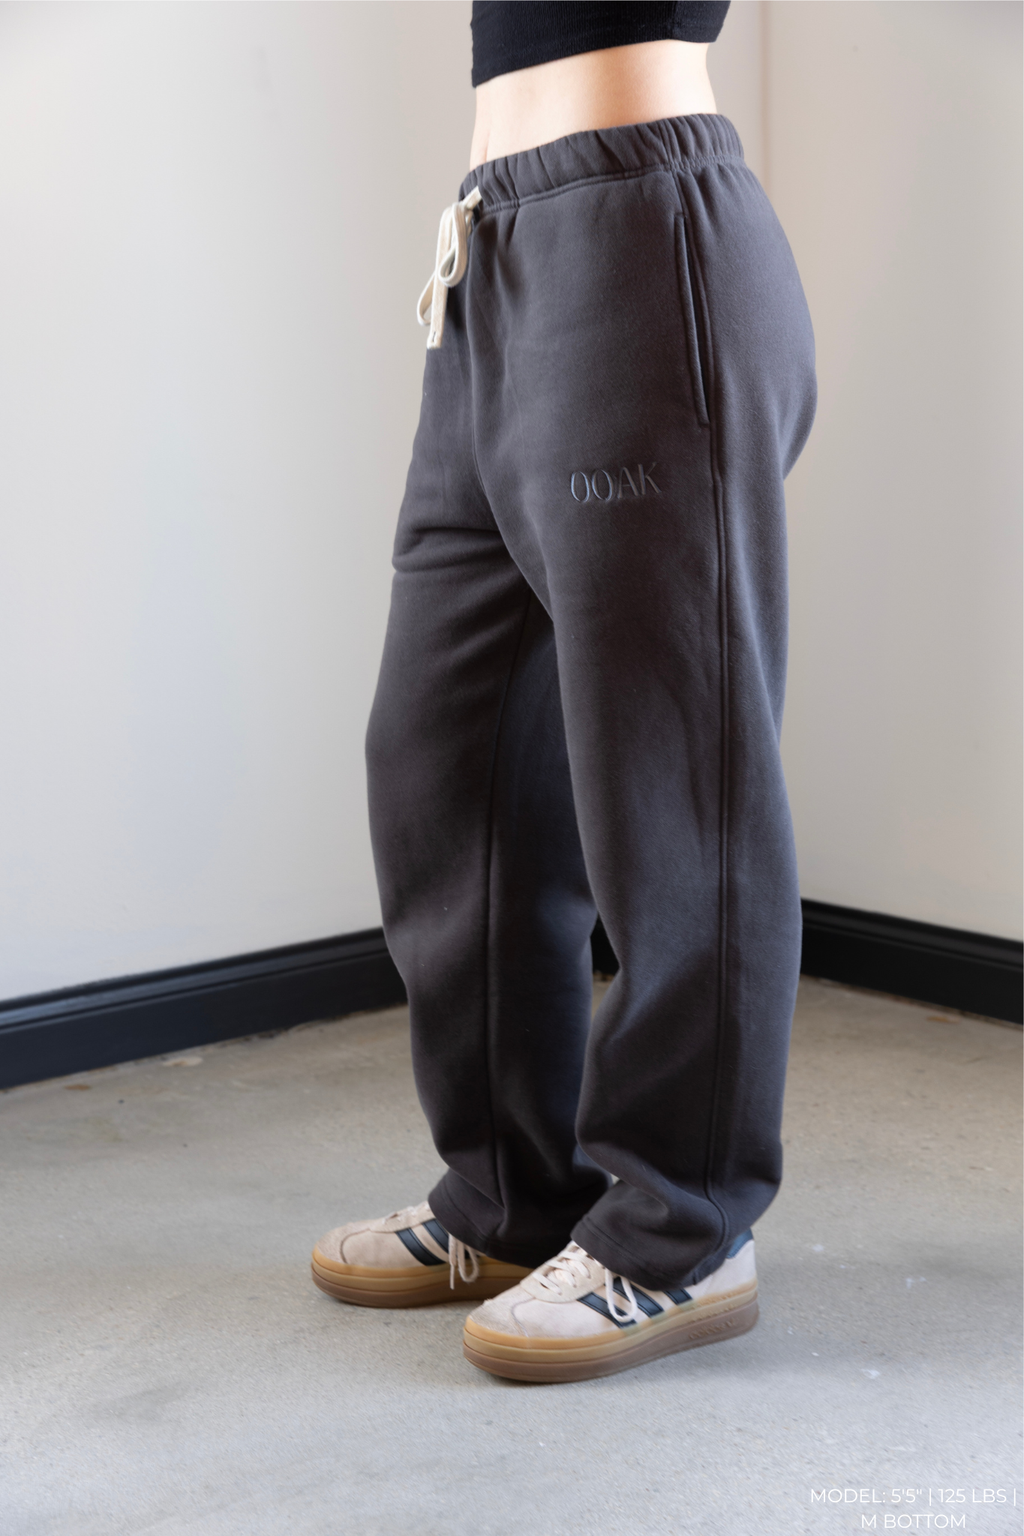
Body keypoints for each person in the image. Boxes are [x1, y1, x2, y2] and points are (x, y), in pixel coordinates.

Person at [312, 0, 817, 1384]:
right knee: (440, 756)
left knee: (676, 783)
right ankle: (512, 1197)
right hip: (492, 248)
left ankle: (684, 1228)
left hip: (641, 235)